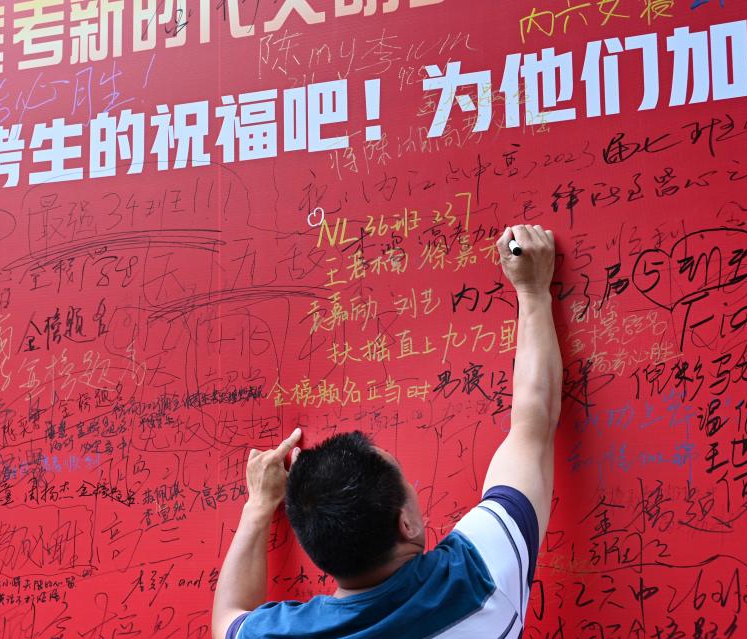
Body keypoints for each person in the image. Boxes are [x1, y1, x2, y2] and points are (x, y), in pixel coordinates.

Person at [212, 224, 561, 639]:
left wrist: (258, 507)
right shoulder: (479, 577)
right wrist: (534, 293)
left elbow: (228, 619)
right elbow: (533, 422)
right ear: (407, 524)